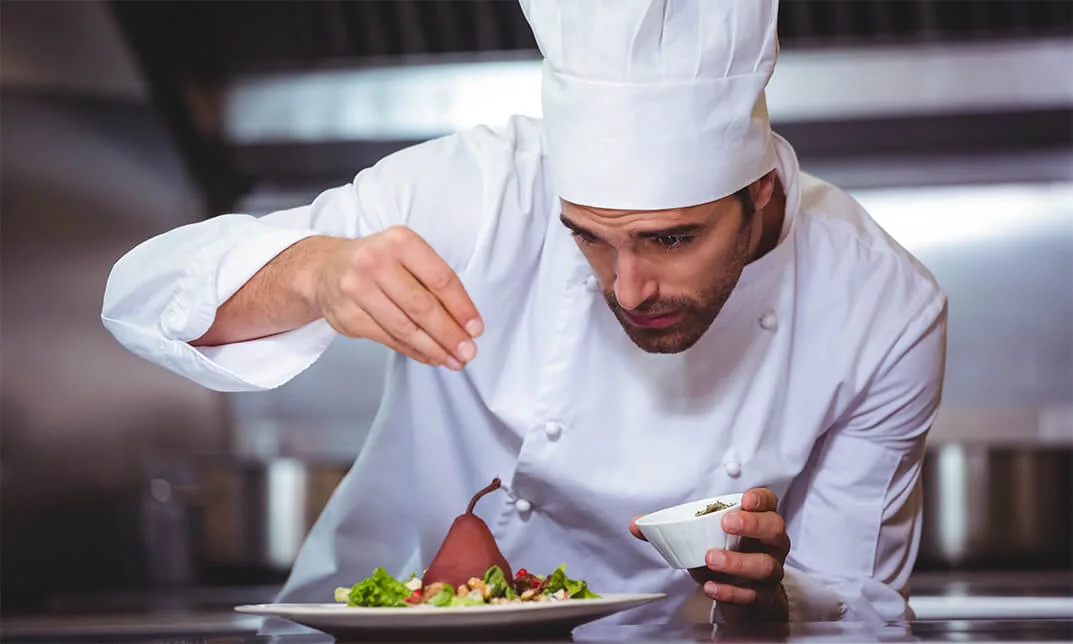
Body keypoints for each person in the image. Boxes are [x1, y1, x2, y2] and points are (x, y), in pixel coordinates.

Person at [101, 0, 947, 627]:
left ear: (759, 194)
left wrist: (766, 599)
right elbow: (142, 297)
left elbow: (858, 609)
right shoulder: (479, 187)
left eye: (670, 239)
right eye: (588, 238)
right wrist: (316, 273)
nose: (627, 288)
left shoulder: (881, 308)